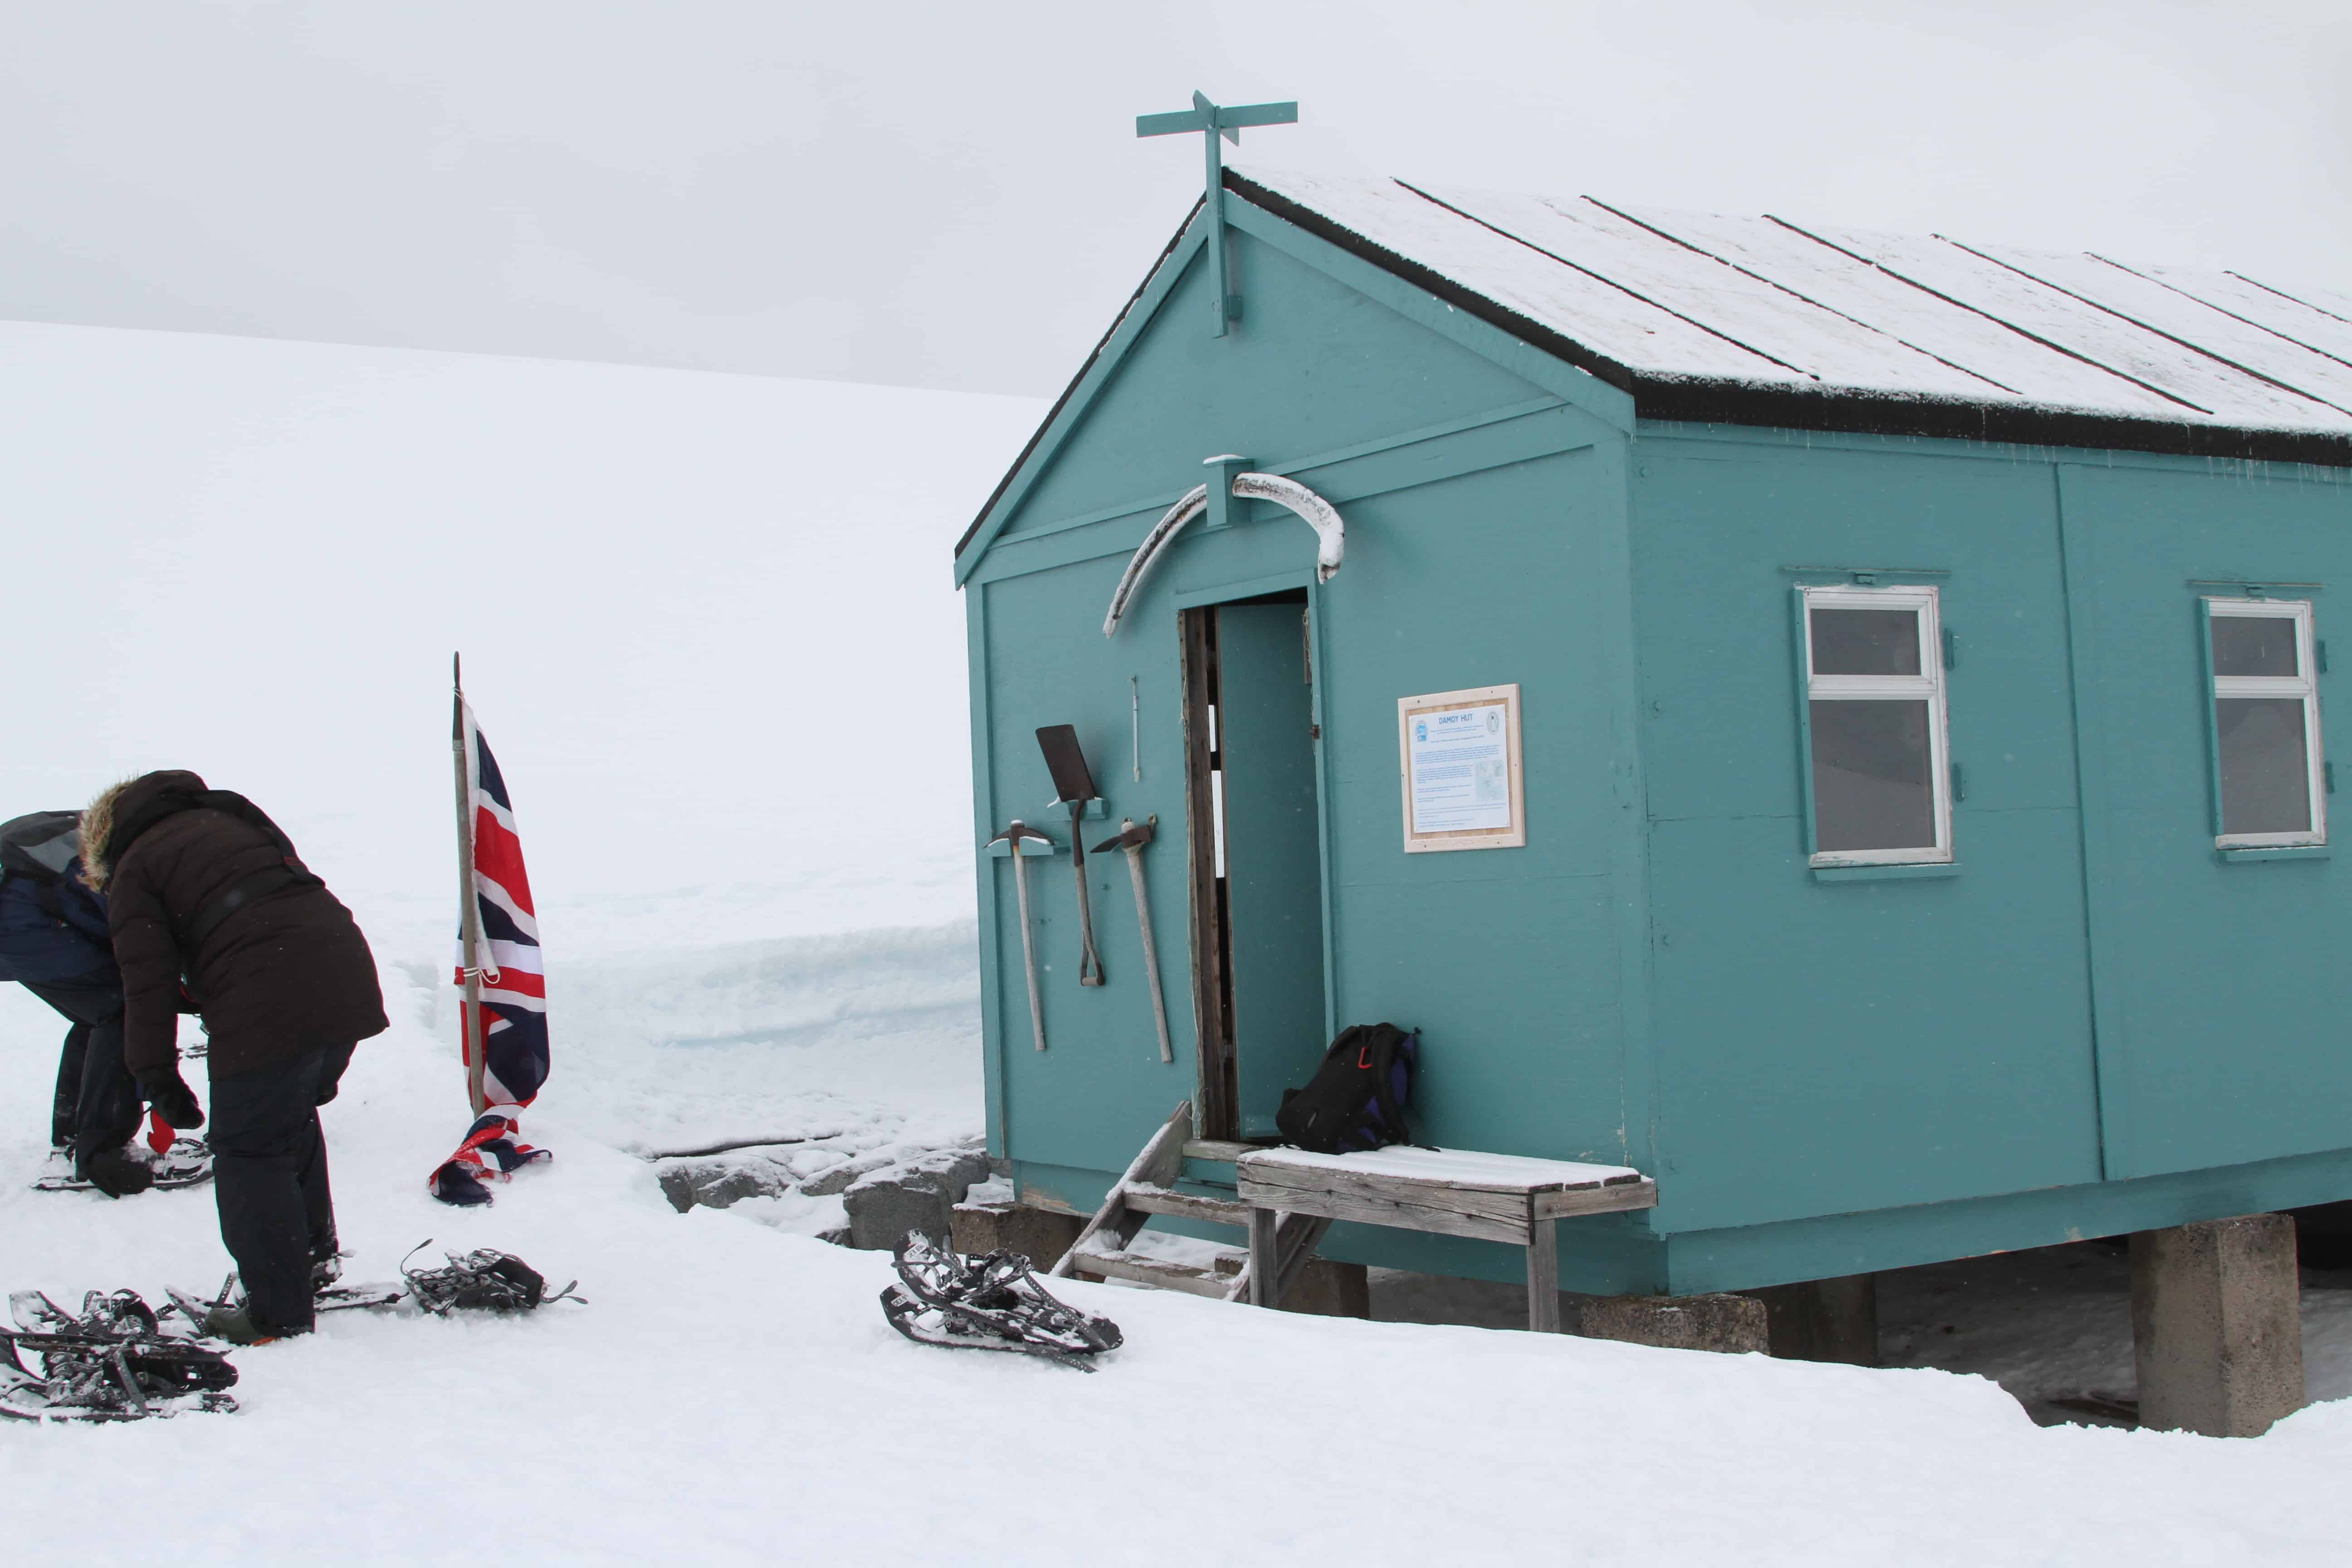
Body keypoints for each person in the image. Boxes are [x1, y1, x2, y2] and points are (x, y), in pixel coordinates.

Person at [81, 771, 388, 1342]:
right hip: (343, 969)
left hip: (270, 992)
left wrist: (153, 1073)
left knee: (248, 1149)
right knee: (286, 1121)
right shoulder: (228, 820)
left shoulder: (136, 868)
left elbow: (143, 984)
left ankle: (277, 1312)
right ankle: (310, 1259)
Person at [0, 809, 157, 1196]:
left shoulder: (104, 828)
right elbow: (130, 925)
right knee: (123, 1010)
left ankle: (74, 1133)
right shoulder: (128, 855)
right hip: (23, 929)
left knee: (100, 1015)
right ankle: (104, 1151)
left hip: (21, 924)